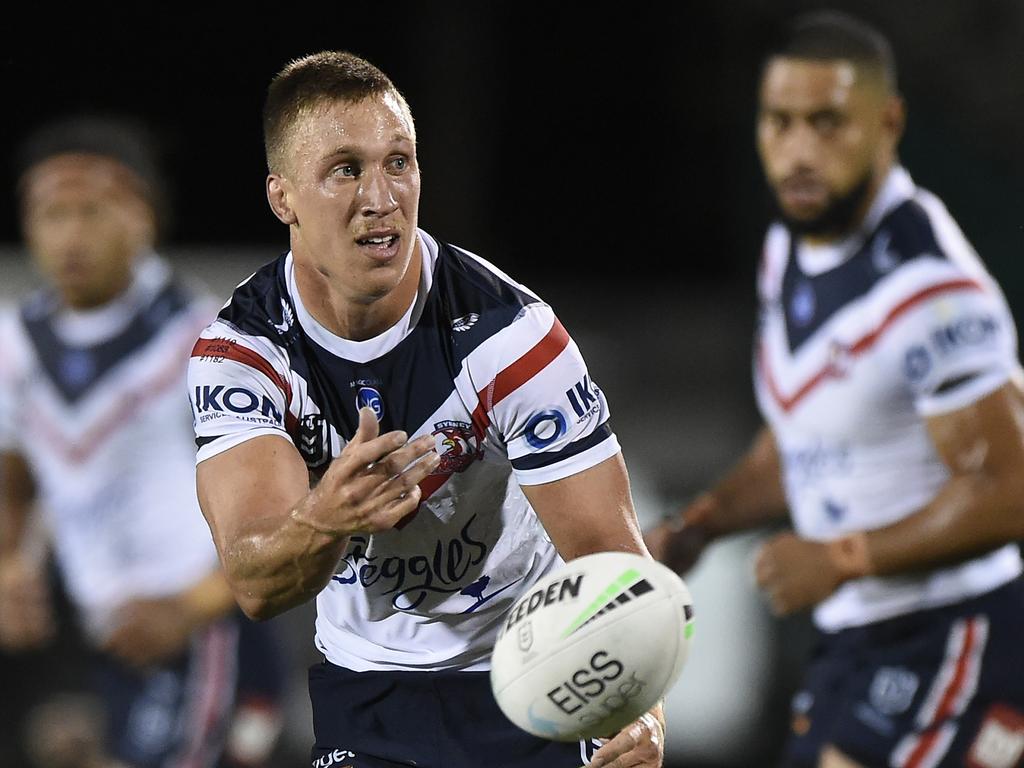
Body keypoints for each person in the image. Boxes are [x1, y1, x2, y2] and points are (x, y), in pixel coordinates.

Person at [187, 50, 664, 768]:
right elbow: (254, 581)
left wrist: (644, 708)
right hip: (370, 696)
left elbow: (608, 548)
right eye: (346, 169)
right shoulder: (243, 354)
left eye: (399, 162)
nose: (381, 197)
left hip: (532, 677)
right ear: (281, 196)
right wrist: (326, 517)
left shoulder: (510, 336)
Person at [645, 10, 1024, 768]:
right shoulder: (791, 246)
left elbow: (1010, 487)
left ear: (888, 124)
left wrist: (845, 557)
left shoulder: (930, 290)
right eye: (779, 123)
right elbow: (806, 437)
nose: (799, 150)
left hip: (957, 632)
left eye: (828, 123)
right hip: (857, 640)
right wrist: (703, 524)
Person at [0, 115, 284, 768]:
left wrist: (189, 608)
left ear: (141, 219)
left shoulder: (211, 338)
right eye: (51, 213)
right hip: (111, 642)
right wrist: (12, 558)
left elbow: (290, 502)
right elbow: (16, 462)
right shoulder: (16, 344)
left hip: (211, 633)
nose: (70, 234)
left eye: (92, 211)